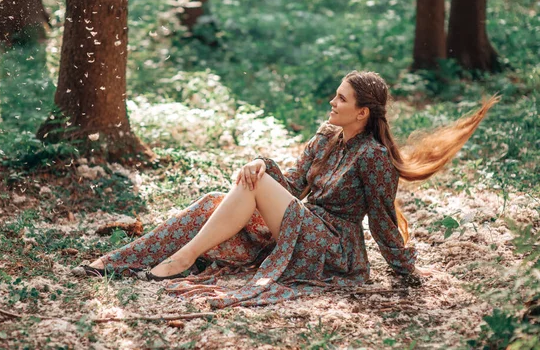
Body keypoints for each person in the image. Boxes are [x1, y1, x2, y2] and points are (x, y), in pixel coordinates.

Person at [72, 71, 499, 308]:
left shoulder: (372, 157)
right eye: (334, 96)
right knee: (214, 201)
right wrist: (261, 163)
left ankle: (184, 257)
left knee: (255, 189)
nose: (332, 104)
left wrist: (407, 272)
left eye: (341, 99)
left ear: (363, 113)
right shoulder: (326, 136)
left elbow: (382, 221)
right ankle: (120, 260)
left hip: (332, 247)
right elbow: (291, 184)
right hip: (300, 223)